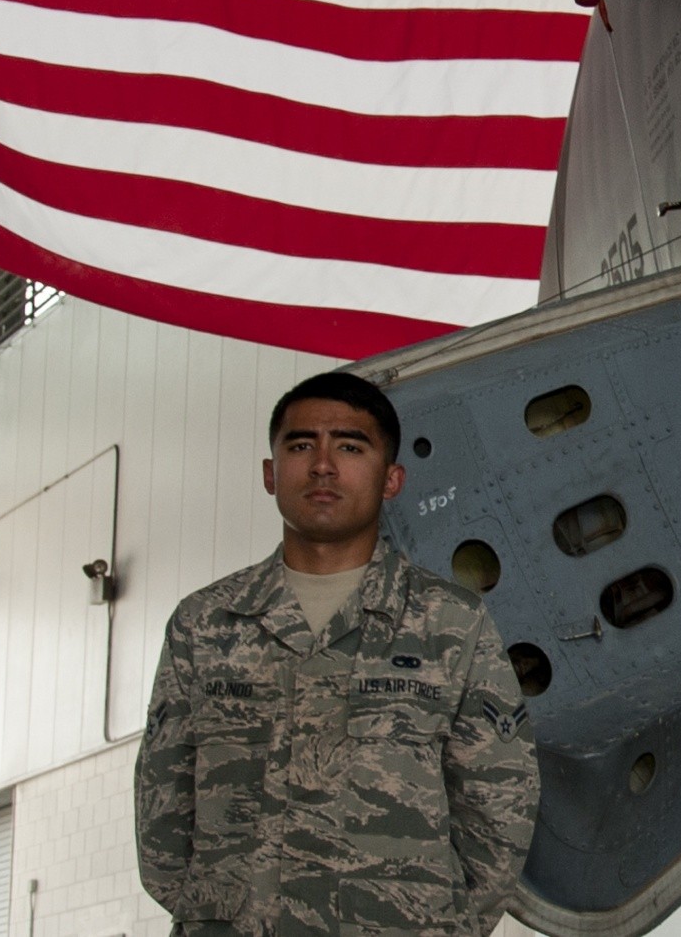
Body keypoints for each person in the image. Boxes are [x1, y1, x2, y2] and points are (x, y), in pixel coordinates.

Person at [134, 371, 539, 937]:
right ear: (270, 475)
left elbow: (500, 804)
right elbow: (161, 805)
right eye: (301, 446)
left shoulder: (450, 623)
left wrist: (428, 922)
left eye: (350, 446)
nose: (323, 465)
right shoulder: (205, 624)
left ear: (392, 478)